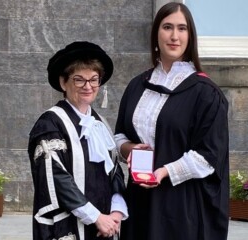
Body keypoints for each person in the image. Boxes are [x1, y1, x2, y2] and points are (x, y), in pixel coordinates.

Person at [114, 2, 229, 240]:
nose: (174, 36)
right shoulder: (138, 85)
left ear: (190, 36)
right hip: (140, 198)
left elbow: (208, 156)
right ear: (156, 33)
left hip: (181, 204)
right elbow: (119, 135)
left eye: (182, 28)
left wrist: (164, 172)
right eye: (167, 27)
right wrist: (129, 148)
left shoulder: (205, 93)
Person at [28, 41, 128, 240]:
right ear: (63, 83)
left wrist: (116, 213)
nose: (88, 86)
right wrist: (96, 217)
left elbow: (115, 171)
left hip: (105, 226)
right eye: (79, 80)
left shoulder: (99, 124)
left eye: (94, 79)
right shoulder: (50, 124)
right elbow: (56, 179)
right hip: (69, 227)